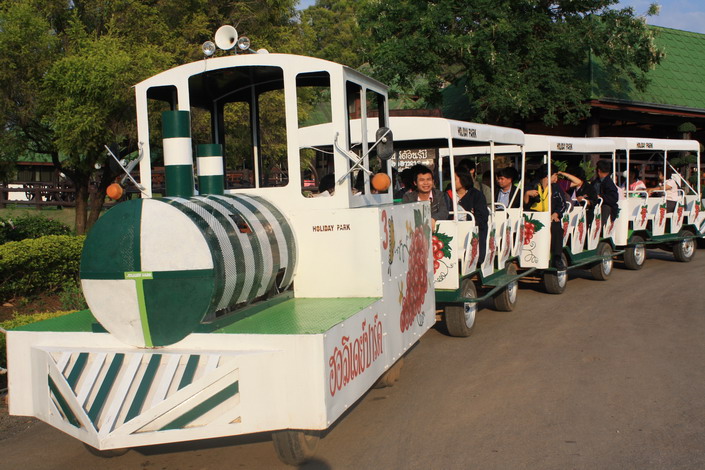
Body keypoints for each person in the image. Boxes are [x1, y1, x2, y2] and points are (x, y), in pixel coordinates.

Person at [525, 164, 569, 270]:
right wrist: (527, 194)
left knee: (557, 229)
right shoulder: (532, 186)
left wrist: (556, 214)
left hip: (550, 218)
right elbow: (524, 205)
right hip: (534, 217)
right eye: (555, 175)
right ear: (547, 175)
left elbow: (563, 204)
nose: (556, 178)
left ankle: (557, 258)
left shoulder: (556, 188)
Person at [447, 169, 489, 263]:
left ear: (463, 179)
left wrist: (468, 224)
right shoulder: (447, 195)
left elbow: (482, 217)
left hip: (471, 231)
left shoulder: (477, 195)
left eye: (455, 179)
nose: (452, 182)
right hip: (452, 230)